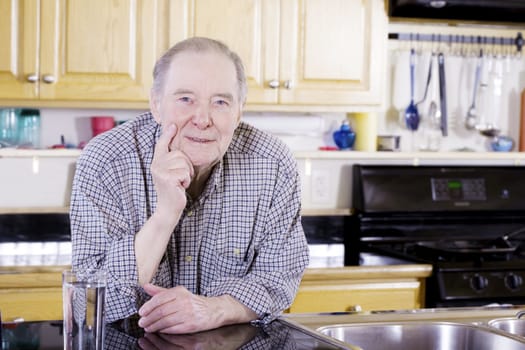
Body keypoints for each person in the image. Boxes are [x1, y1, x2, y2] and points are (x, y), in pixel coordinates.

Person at [70, 37, 309, 334]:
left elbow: (280, 278)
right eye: (186, 99)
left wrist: (215, 309)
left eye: (220, 102)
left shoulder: (274, 164)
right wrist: (166, 213)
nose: (203, 119)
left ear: (238, 112)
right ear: (156, 105)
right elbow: (90, 302)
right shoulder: (106, 161)